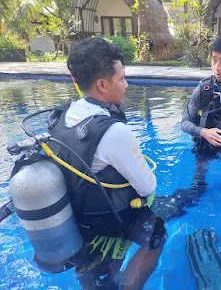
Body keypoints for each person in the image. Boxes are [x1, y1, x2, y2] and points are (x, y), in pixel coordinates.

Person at [47, 37, 166, 289]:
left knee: (94, 280)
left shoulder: (60, 116)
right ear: (102, 84)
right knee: (156, 234)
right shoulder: (113, 132)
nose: (126, 84)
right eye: (121, 78)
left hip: (74, 222)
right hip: (105, 225)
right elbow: (147, 187)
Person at [151, 35, 221, 221]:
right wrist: (203, 132)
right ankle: (198, 184)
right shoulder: (203, 90)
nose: (217, 67)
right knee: (198, 181)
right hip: (206, 144)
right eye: (214, 60)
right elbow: (185, 123)